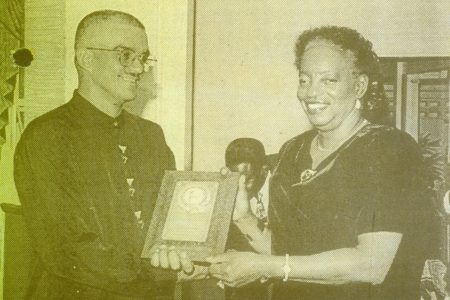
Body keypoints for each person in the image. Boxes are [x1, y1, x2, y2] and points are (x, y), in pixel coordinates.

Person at [153, 26, 439, 300]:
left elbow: (371, 264)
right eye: (305, 79)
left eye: (329, 80)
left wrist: (265, 267)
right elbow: (282, 253)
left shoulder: (390, 149)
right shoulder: (293, 151)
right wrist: (243, 218)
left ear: (359, 85)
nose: (311, 93)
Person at [14, 10, 176, 299]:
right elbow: (68, 250)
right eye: (125, 55)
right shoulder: (46, 136)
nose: (138, 69)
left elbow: (168, 226)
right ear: (86, 58)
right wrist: (159, 271)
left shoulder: (151, 136)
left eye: (142, 57)